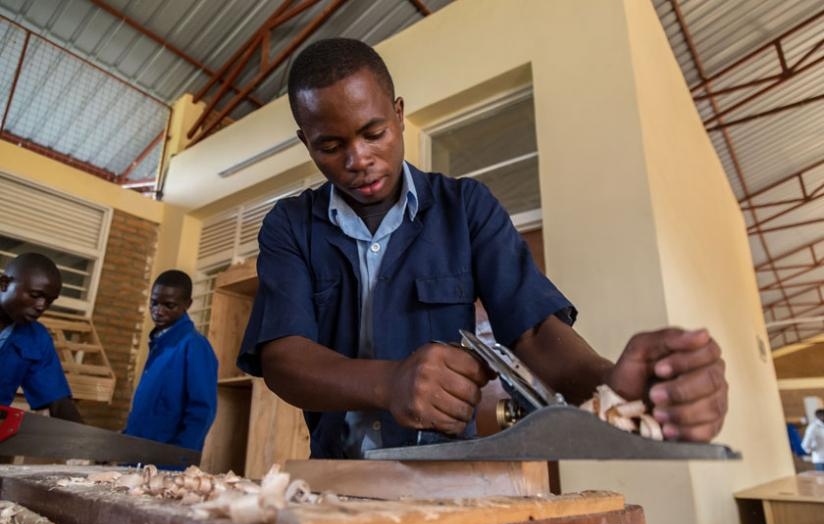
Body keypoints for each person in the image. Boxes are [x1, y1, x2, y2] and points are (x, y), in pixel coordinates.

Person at [238, 38, 728, 459]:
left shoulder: (466, 208)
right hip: (332, 473)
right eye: (330, 146)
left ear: (400, 114)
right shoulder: (289, 225)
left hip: (450, 472)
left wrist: (611, 390)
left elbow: (534, 331)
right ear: (306, 142)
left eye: (374, 133)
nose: (358, 159)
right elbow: (284, 358)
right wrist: (388, 383)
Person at [124, 270, 218, 452]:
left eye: (169, 305)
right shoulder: (159, 344)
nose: (158, 311)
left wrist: (178, 459)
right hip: (136, 458)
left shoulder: (194, 346)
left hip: (166, 465)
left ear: (187, 305)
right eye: (154, 303)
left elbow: (201, 411)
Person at [0, 252, 82, 422]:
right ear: (4, 284)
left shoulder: (36, 338)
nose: (41, 306)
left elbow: (56, 401)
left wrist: (88, 442)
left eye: (49, 301)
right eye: (35, 296)